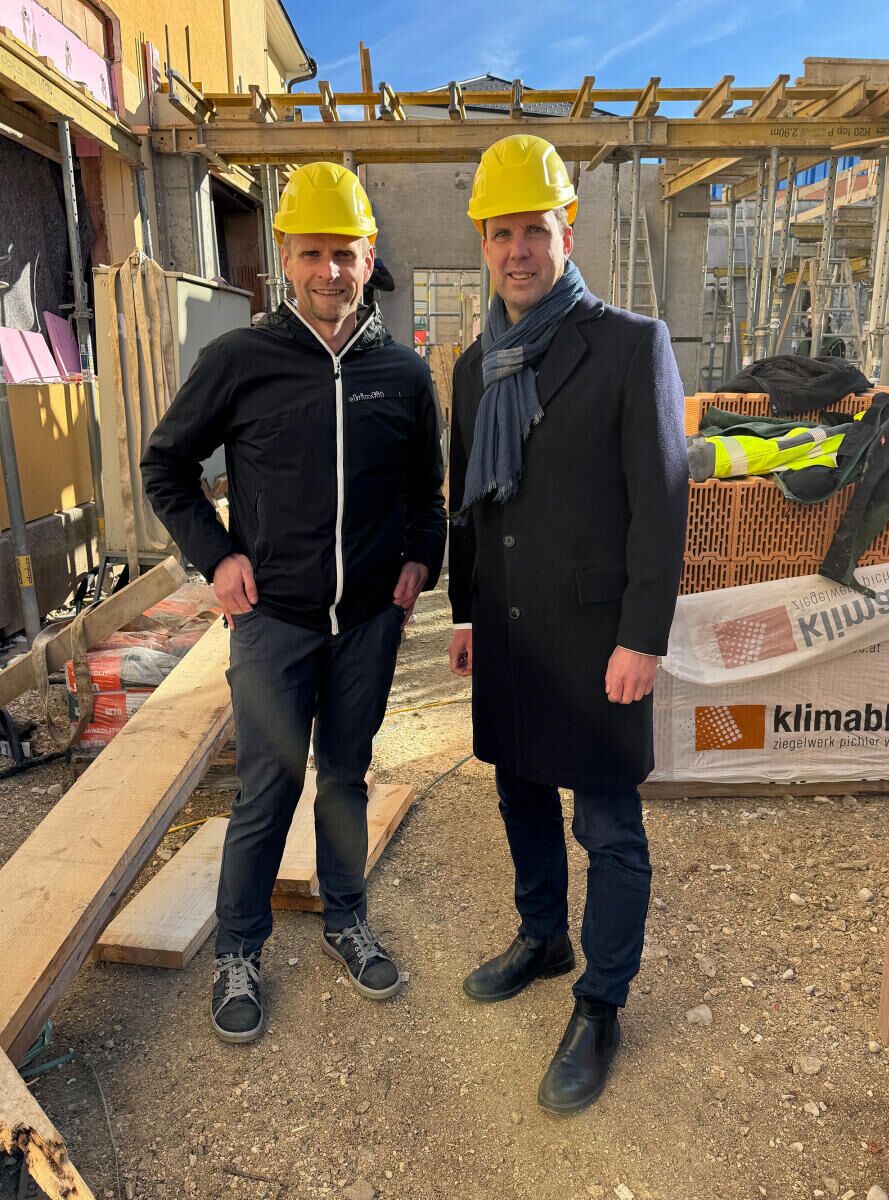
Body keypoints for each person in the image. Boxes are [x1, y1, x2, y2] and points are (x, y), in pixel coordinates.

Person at [142, 162, 446, 1043]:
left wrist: (421, 561)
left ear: (368, 257)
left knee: (345, 778)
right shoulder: (241, 362)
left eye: (344, 253)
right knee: (267, 790)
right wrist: (216, 555)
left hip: (367, 627)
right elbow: (167, 466)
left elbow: (426, 493)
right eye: (311, 253)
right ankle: (239, 949)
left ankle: (346, 918)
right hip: (273, 624)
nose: (329, 271)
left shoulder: (403, 373)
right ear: (284, 256)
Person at [447, 134, 688, 1114]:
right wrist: (465, 611)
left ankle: (601, 1003)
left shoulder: (630, 345)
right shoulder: (475, 366)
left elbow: (661, 501)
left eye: (534, 231)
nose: (518, 251)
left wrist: (643, 636)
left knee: (609, 828)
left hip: (595, 640)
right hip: (509, 631)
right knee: (519, 793)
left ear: (566, 234)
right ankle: (544, 936)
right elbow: (470, 502)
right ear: (484, 243)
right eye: (501, 233)